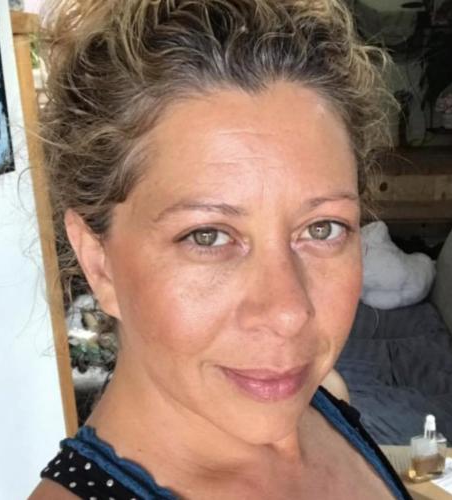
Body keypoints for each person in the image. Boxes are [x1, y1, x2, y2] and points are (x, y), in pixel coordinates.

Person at [31, 0, 410, 498]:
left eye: (322, 229)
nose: (288, 313)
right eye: (206, 236)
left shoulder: (321, 399)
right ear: (98, 262)